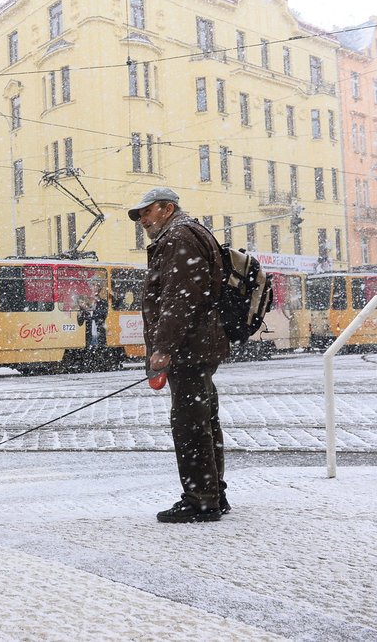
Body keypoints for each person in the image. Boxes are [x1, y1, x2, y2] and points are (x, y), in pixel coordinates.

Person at [128, 187, 230, 523]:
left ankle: (201, 500)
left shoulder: (178, 237)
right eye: (140, 215)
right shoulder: (191, 231)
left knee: (190, 425)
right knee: (204, 419)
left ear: (167, 209)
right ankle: (213, 492)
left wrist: (163, 349)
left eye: (147, 212)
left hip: (189, 348)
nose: (143, 220)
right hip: (200, 343)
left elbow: (179, 298)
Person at [77, 278, 108, 349]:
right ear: (90, 287)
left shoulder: (103, 302)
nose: (95, 287)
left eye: (98, 285)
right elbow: (80, 322)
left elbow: (103, 316)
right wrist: (82, 310)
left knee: (100, 354)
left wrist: (93, 307)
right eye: (93, 285)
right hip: (89, 337)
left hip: (100, 337)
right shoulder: (84, 302)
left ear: (100, 288)